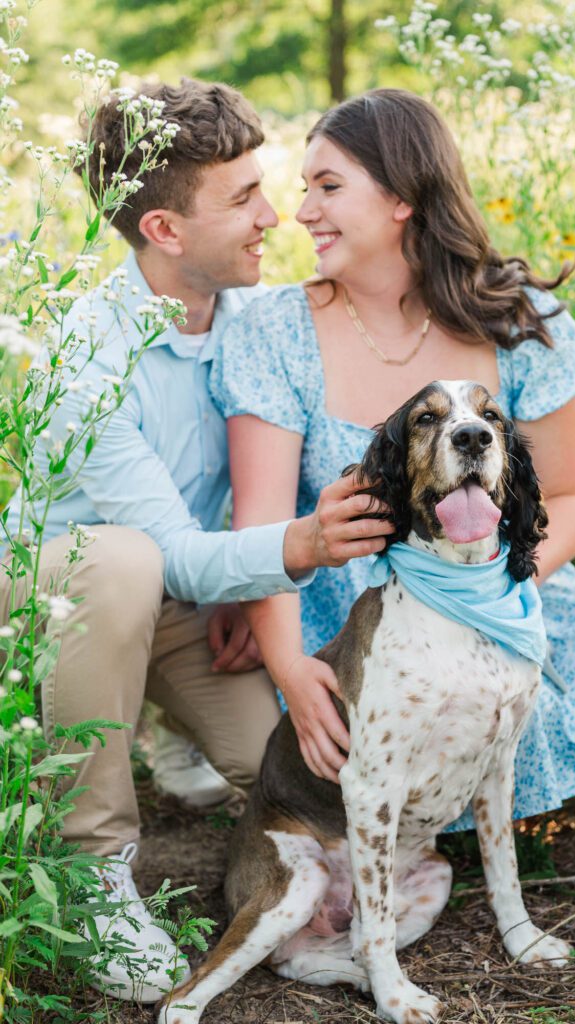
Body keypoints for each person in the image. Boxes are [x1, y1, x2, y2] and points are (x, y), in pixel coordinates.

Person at [0, 79, 393, 1003]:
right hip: (58, 596)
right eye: (242, 199)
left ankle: (163, 710)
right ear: (165, 233)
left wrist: (252, 596)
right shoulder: (84, 350)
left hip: (190, 601)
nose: (275, 215)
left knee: (295, 768)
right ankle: (95, 869)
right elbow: (167, 548)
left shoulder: (264, 317)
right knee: (122, 561)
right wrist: (294, 548)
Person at [211, 88, 575, 815]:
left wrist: (494, 589)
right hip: (347, 612)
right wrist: (291, 669)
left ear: (402, 196)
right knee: (318, 746)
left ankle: (486, 817)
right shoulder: (277, 330)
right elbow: (261, 526)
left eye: (328, 187)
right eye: (305, 189)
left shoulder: (517, 318)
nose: (302, 211)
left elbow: (570, 496)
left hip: (497, 583)